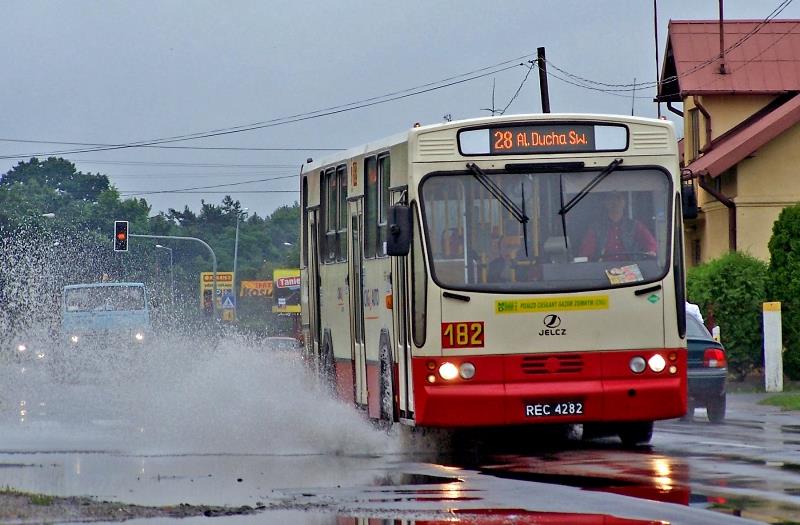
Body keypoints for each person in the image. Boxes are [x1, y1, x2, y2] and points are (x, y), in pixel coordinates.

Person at [579, 191, 657, 261]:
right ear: (605, 203)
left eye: (618, 198)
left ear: (624, 202)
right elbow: (586, 252)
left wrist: (650, 253)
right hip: (602, 270)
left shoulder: (636, 226)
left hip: (631, 268)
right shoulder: (596, 228)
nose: (615, 202)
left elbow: (651, 246)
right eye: (611, 199)